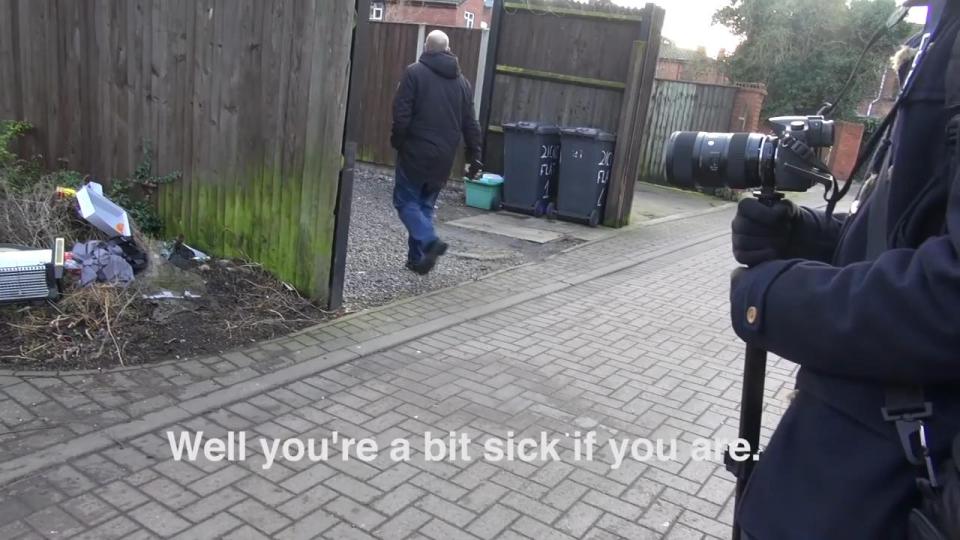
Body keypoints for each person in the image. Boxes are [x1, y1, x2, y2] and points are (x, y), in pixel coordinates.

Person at [728, 1, 960, 538]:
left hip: (889, 490)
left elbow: (950, 297)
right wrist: (804, 235)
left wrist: (772, 301)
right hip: (843, 472)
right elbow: (913, 228)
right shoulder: (941, 27)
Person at [391, 30, 482, 275]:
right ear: (448, 48)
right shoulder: (463, 84)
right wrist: (475, 156)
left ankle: (429, 241)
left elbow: (401, 115)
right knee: (424, 207)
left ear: (425, 47)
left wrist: (398, 142)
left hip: (415, 152)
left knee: (405, 201)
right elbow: (471, 124)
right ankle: (417, 259)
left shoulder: (414, 73)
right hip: (444, 157)